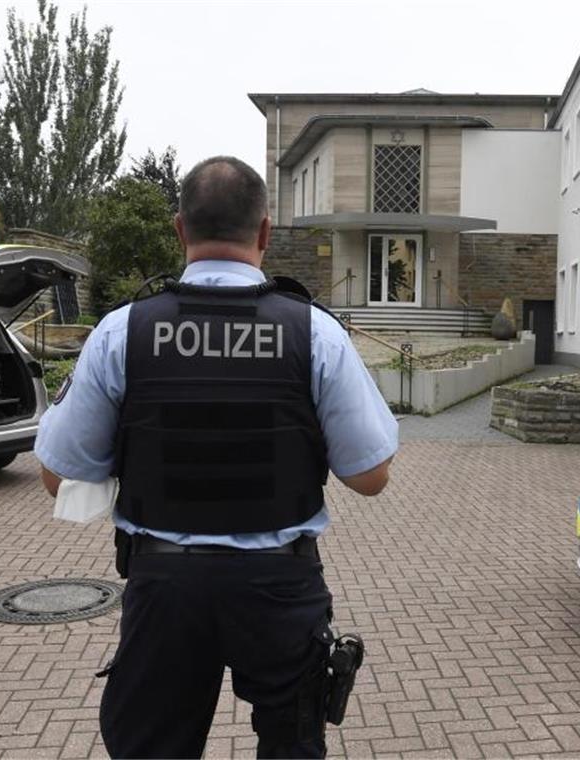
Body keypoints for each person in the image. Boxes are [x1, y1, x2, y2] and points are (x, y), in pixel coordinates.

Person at [35, 156, 398, 759]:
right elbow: (369, 477)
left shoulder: (123, 332)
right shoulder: (316, 334)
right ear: (264, 233)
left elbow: (59, 476)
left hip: (164, 588)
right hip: (279, 589)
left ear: (180, 230)